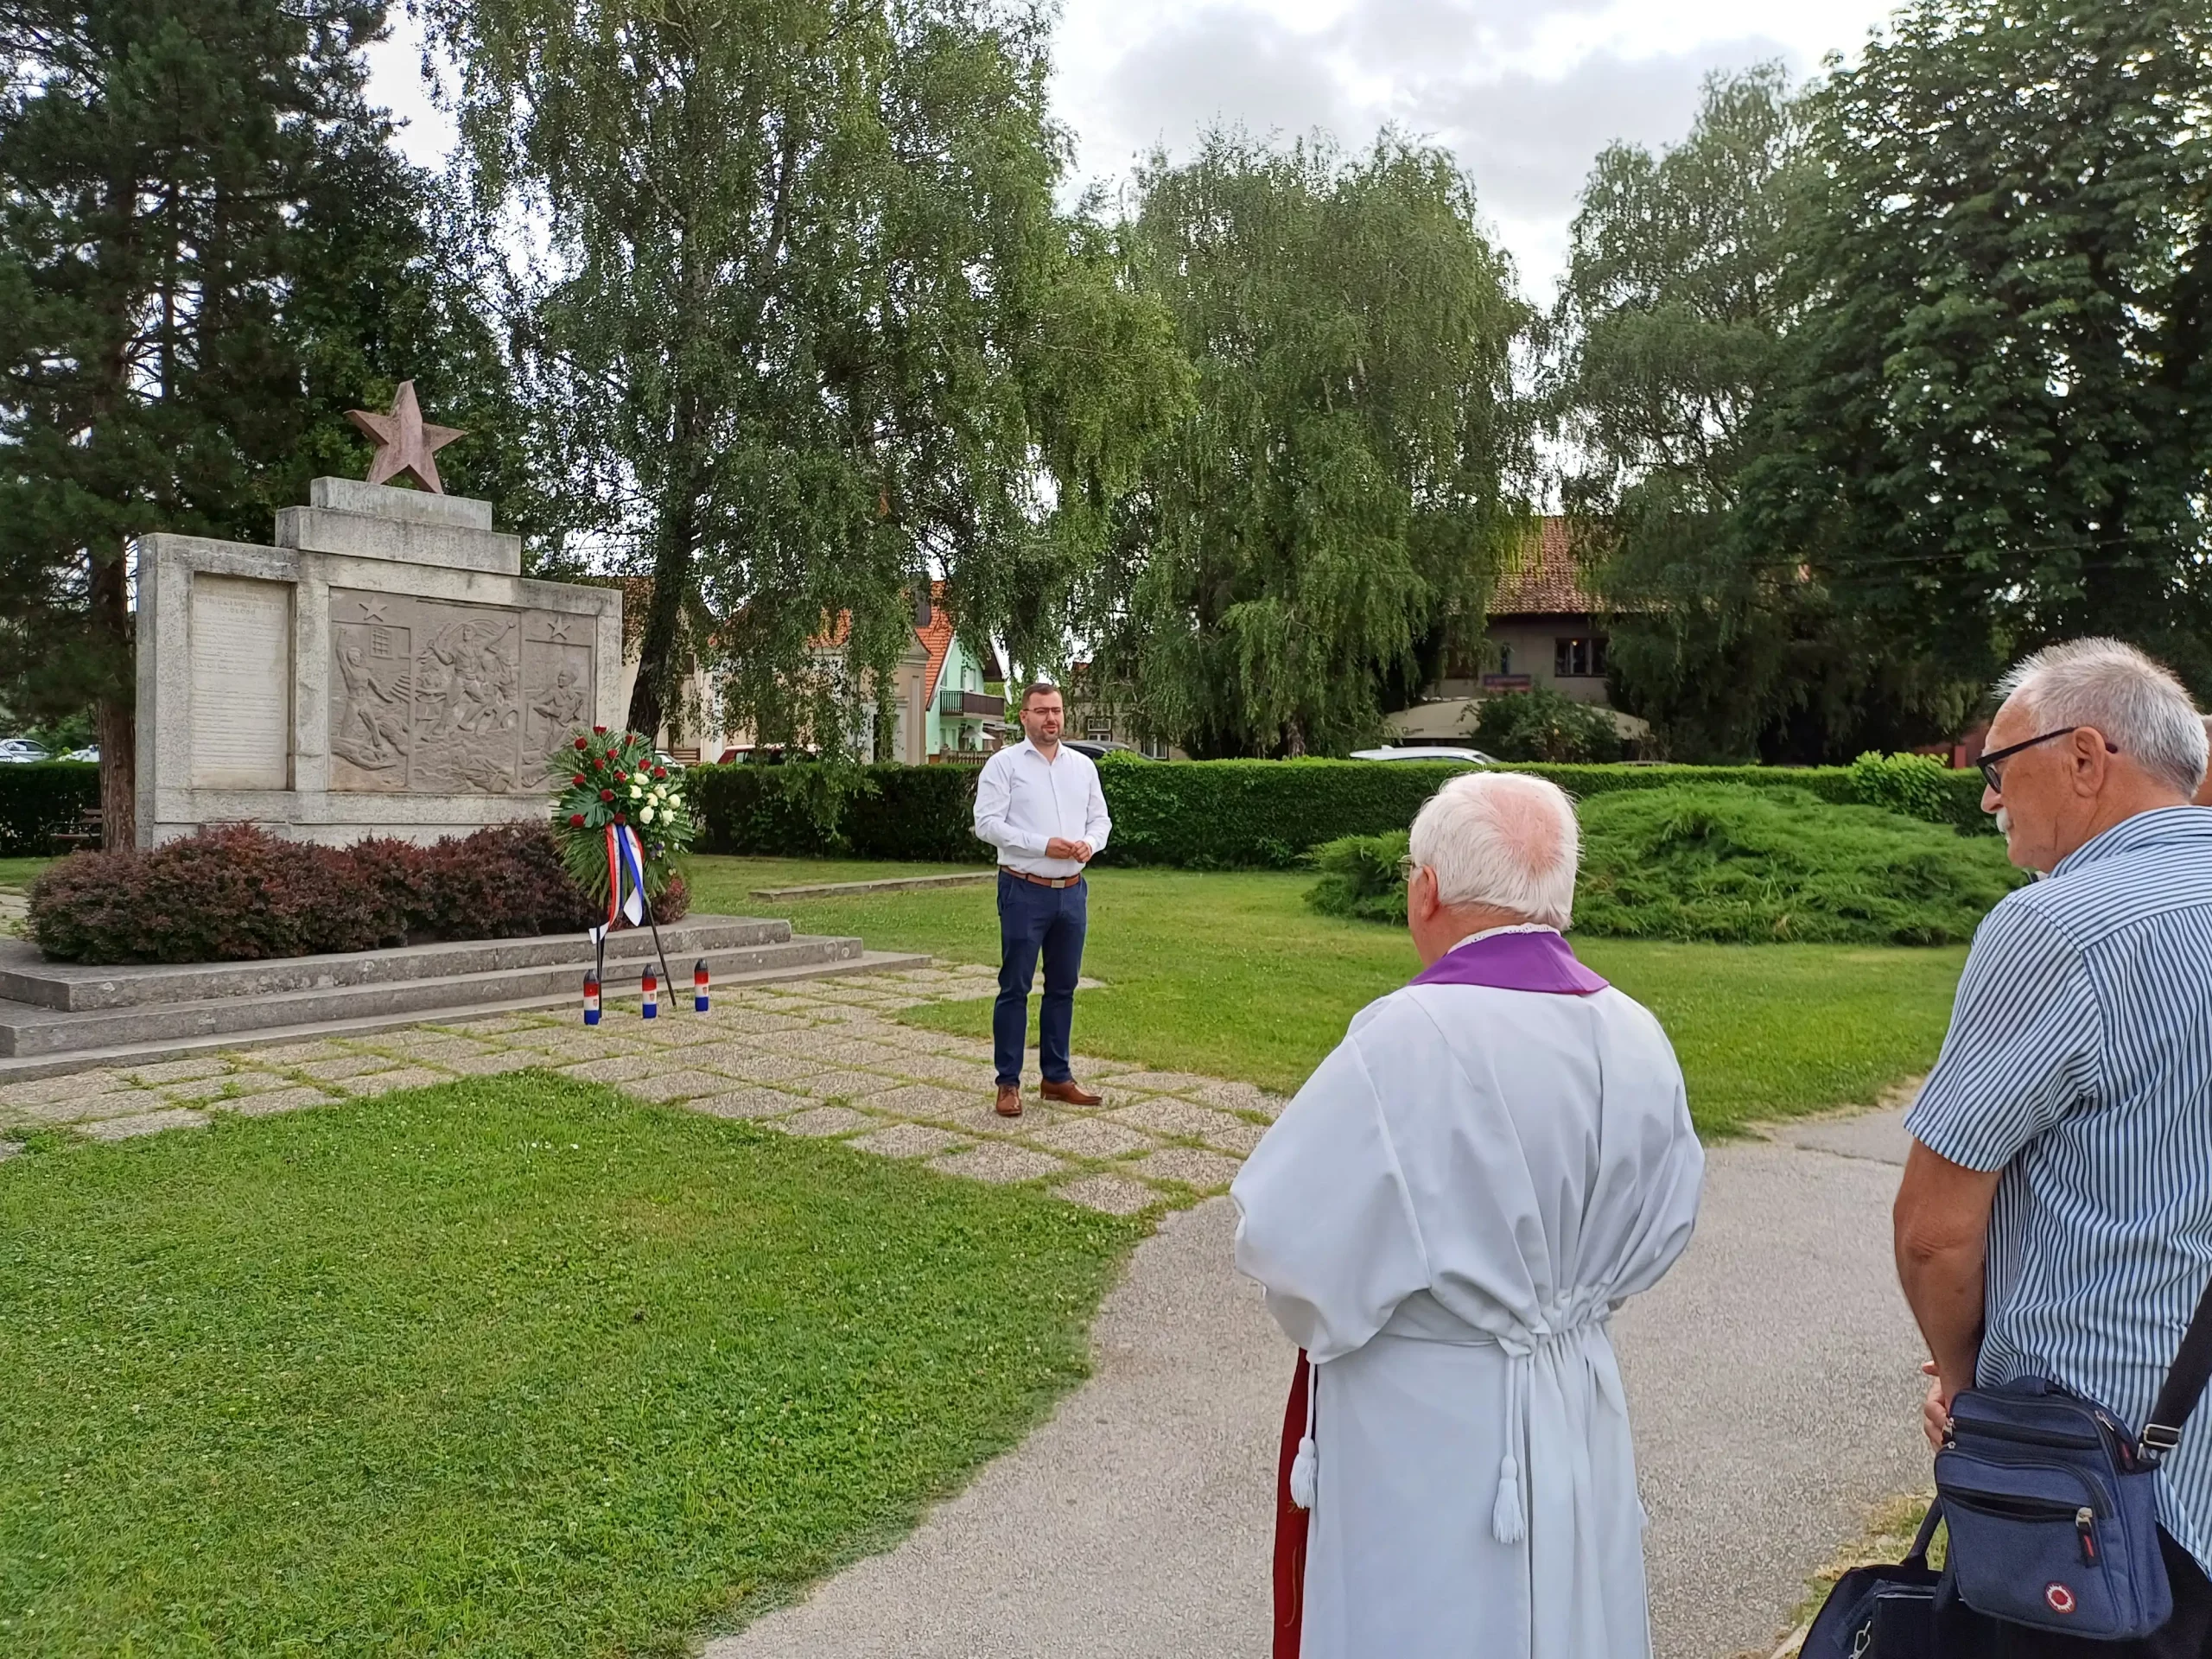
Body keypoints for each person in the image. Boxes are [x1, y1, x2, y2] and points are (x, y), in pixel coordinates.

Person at [1230, 772, 1705, 1659]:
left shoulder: (1405, 1037)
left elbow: (1286, 1247)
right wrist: (1558, 1306)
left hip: (1427, 1419)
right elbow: (1668, 1215)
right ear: (1559, 896)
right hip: (1574, 1391)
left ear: (1426, 890)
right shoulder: (1637, 1033)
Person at [1892, 639, 2212, 1658]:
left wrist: (1961, 1386)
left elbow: (1935, 1232)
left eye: (1998, 768)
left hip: (2105, 1496)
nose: (1989, 799)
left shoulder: (2057, 928)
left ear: (2083, 757)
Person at [970, 682, 1112, 1118]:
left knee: (1063, 987)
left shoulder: (1082, 767)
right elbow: (986, 824)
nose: (1052, 718)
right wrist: (1041, 844)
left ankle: (1056, 1077)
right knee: (1015, 987)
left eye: (1057, 710)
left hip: (1071, 893)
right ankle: (1008, 1083)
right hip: (1023, 890)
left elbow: (1101, 820)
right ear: (1024, 717)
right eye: (1042, 711)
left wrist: (1091, 843)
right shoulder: (1004, 765)